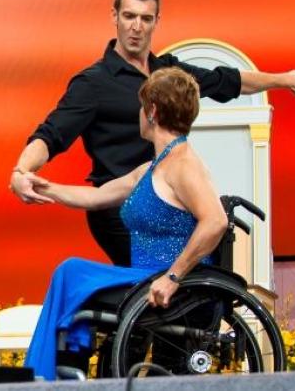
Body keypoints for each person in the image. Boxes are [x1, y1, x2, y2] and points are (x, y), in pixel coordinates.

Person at [11, 0, 295, 266]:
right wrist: (22, 171)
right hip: (120, 207)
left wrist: (286, 80)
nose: (136, 27)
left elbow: (226, 81)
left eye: (146, 19)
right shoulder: (93, 83)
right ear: (114, 16)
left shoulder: (167, 73)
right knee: (144, 282)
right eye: (129, 16)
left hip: (165, 198)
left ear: (156, 22)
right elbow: (50, 135)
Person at [21, 68, 228, 380]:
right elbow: (99, 196)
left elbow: (215, 221)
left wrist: (173, 277)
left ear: (152, 112)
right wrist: (44, 187)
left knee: (71, 271)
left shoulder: (184, 165)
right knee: (71, 272)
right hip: (142, 277)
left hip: (165, 281)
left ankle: (54, 376)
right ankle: (64, 370)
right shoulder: (155, 166)